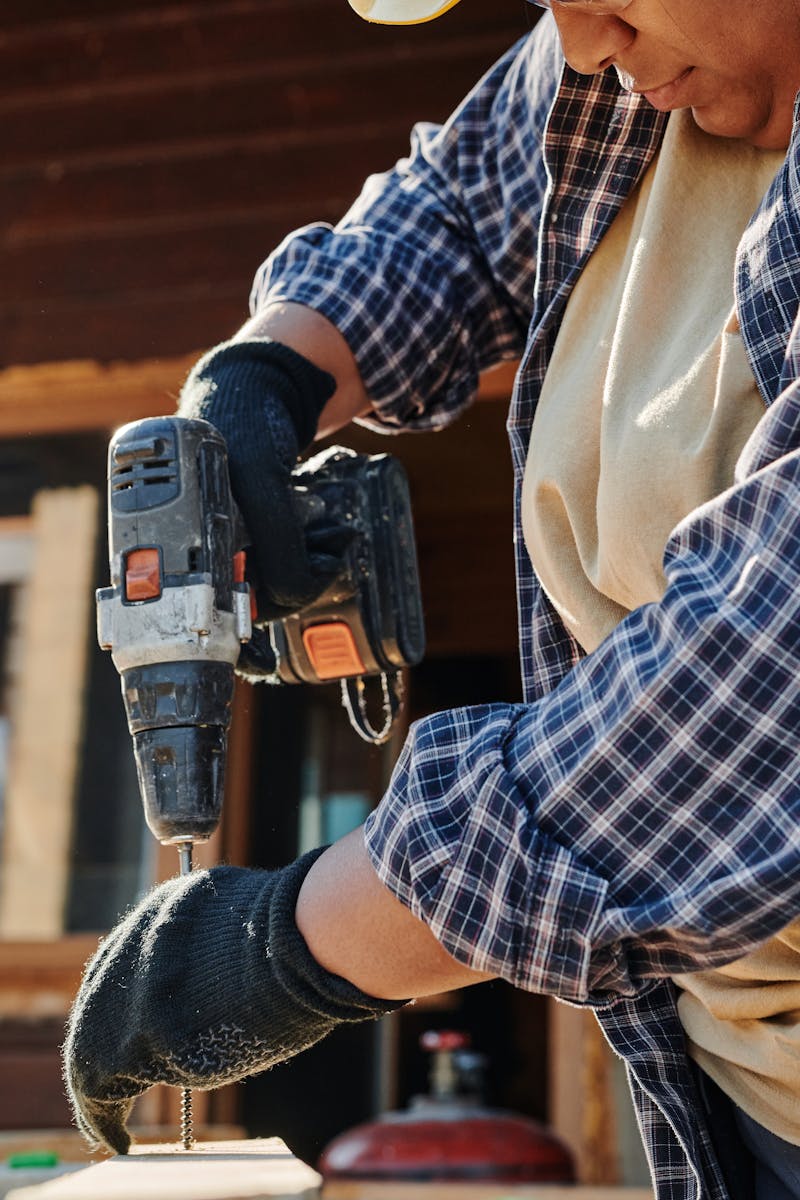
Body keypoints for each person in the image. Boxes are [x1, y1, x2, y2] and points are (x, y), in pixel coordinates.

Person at [64, 0, 800, 1197]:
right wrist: (275, 366)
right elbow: (457, 207)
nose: (577, 41)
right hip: (737, 1088)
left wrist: (293, 944)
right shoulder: (619, 60)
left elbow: (763, 686)